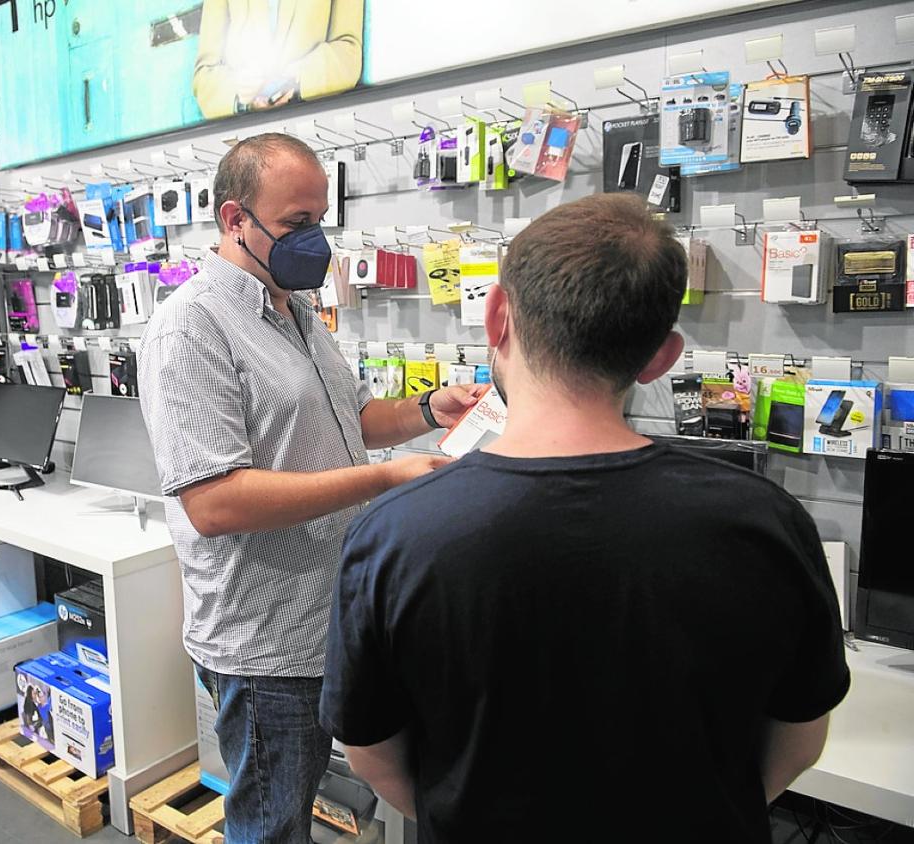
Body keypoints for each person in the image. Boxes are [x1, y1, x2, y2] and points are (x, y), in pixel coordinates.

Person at [320, 193, 851, 842]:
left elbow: (376, 756)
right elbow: (796, 744)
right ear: (663, 356)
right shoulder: (768, 524)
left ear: (496, 318)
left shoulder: (395, 535)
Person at [138, 132, 487, 842]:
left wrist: (426, 411)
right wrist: (386, 478)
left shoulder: (298, 312)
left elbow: (352, 418)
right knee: (270, 826)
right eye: (297, 223)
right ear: (236, 220)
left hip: (326, 616)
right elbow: (213, 502)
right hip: (264, 640)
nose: (316, 240)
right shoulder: (191, 329)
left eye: (320, 218)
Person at [193, 0, 363, 119]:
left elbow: (348, 52)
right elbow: (204, 77)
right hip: (247, 132)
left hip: (309, 118)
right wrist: (238, 91)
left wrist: (297, 79)